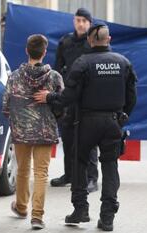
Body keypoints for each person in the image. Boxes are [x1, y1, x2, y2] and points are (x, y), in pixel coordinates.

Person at [34, 22, 137, 231]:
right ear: (109, 40)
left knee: (79, 163)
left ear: (90, 40)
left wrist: (50, 97)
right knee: (110, 167)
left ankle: (80, 210)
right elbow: (132, 97)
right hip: (112, 122)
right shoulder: (123, 63)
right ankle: (107, 217)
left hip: (86, 123)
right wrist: (122, 116)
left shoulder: (82, 63)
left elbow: (69, 96)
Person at [2, 34, 64, 230]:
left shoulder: (14, 77)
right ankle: (37, 217)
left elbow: (5, 106)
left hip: (21, 133)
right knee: (41, 173)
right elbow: (63, 105)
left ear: (27, 51)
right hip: (45, 133)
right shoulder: (54, 77)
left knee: (22, 169)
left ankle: (21, 207)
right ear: (45, 52)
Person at [51, 7, 100, 193]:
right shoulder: (65, 41)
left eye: (84, 21)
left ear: (90, 23)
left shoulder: (94, 43)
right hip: (69, 98)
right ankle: (70, 175)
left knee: (90, 139)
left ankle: (91, 178)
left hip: (89, 99)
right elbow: (57, 70)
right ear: (74, 21)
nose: (81, 24)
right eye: (78, 20)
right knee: (69, 138)